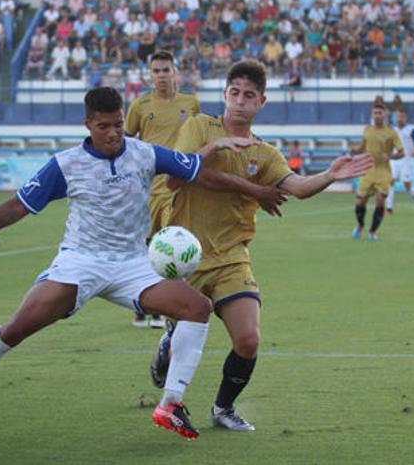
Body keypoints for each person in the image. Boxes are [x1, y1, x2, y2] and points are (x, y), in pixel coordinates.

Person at [0, 86, 282, 440]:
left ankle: (170, 404)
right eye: (104, 127)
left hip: (133, 263)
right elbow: (18, 206)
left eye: (118, 124)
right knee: (16, 329)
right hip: (80, 262)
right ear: (88, 125)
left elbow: (195, 169)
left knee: (196, 308)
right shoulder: (66, 164)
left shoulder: (144, 152)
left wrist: (239, 172)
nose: (114, 133)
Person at [148, 60, 372, 432]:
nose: (239, 102)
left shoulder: (265, 154)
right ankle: (169, 341)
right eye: (234, 93)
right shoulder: (199, 127)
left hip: (232, 257)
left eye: (249, 96)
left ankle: (223, 408)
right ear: (224, 95)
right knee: (180, 343)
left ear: (261, 102)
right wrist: (247, 182)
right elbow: (182, 175)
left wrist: (329, 176)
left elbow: (296, 188)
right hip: (186, 257)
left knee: (249, 340)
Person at [124, 50, 201, 328]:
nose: (161, 76)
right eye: (156, 71)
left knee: (176, 248)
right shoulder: (140, 105)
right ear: (150, 75)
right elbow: (125, 142)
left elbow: (199, 138)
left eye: (165, 70)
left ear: (174, 71)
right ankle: (143, 306)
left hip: (183, 188)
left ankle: (173, 311)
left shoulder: (191, 103)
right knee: (149, 247)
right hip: (150, 190)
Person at [352, 103, 404, 241]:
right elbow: (363, 147)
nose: (377, 115)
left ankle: (372, 231)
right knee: (360, 202)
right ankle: (360, 225)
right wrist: (355, 151)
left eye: (380, 113)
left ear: (385, 115)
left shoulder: (391, 132)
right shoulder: (367, 130)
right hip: (368, 170)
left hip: (383, 171)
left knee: (380, 201)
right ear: (372, 115)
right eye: (375, 113)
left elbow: (401, 153)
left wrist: (390, 156)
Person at [384, 109, 414, 215]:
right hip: (395, 160)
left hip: (406, 160)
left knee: (407, 186)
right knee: (390, 182)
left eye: (402, 117)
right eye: (398, 117)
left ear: (406, 118)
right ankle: (388, 208)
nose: (400, 119)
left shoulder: (411, 130)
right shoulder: (393, 130)